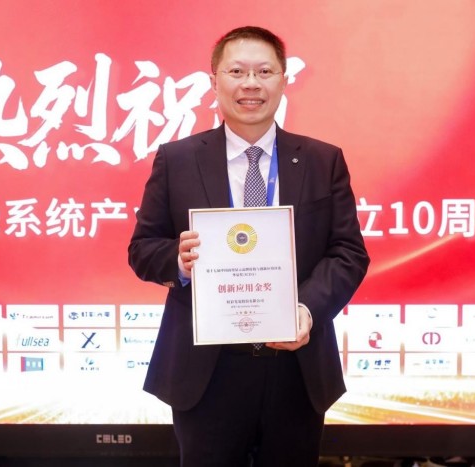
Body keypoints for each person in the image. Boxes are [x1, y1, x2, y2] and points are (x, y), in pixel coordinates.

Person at [128, 25, 370, 467]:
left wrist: (307, 309)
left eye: (264, 71)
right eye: (237, 71)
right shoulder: (177, 159)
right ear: (214, 81)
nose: (251, 84)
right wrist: (178, 260)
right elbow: (143, 249)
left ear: (284, 80)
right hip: (206, 371)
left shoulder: (322, 160)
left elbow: (348, 253)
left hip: (295, 365)